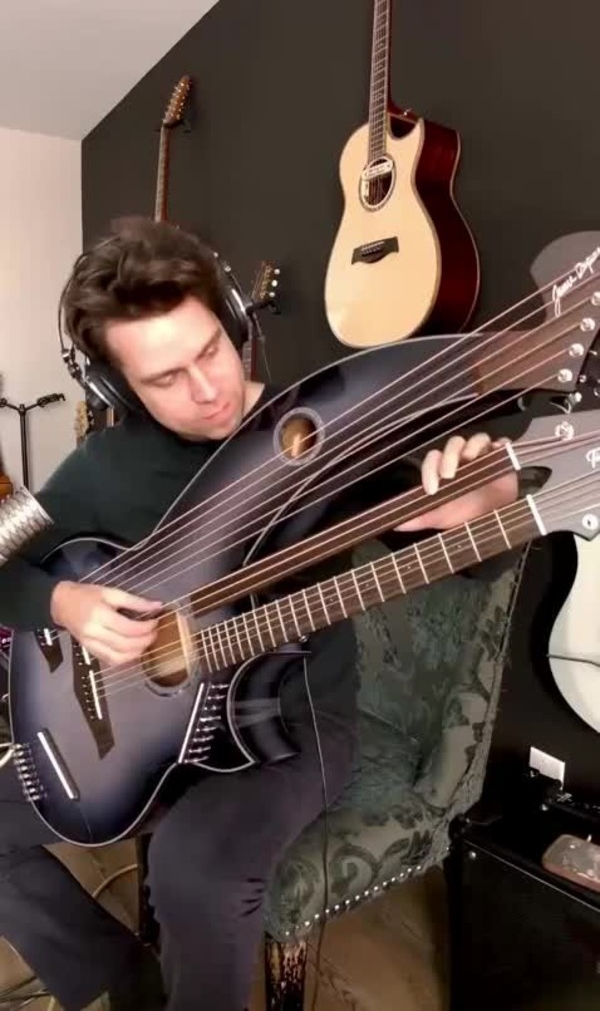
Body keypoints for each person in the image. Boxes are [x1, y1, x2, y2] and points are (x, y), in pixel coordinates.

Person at [0, 218, 517, 1011]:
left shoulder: (316, 434)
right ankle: (120, 984)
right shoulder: (101, 468)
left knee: (192, 870)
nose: (208, 390)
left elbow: (464, 535)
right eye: (165, 379)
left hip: (291, 729)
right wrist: (63, 602)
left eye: (211, 350)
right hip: (138, 726)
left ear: (235, 320)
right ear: (117, 390)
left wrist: (488, 497)